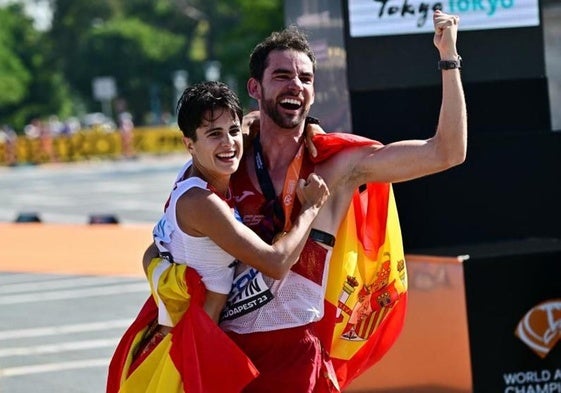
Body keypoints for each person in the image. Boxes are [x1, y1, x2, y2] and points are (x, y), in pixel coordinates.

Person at [126, 8, 466, 393]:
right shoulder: (225, 162)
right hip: (225, 353)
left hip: (295, 358)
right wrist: (172, 289)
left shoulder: (335, 167)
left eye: (305, 78)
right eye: (282, 76)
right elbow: (161, 246)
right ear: (255, 88)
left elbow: (446, 152)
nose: (296, 85)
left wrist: (449, 58)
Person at [107, 81, 330, 393]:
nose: (229, 143)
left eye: (232, 131)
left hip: (187, 340)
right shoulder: (203, 203)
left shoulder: (193, 175)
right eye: (214, 135)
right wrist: (312, 208)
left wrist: (308, 124)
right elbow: (276, 263)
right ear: (189, 144)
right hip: (185, 358)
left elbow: (252, 122)